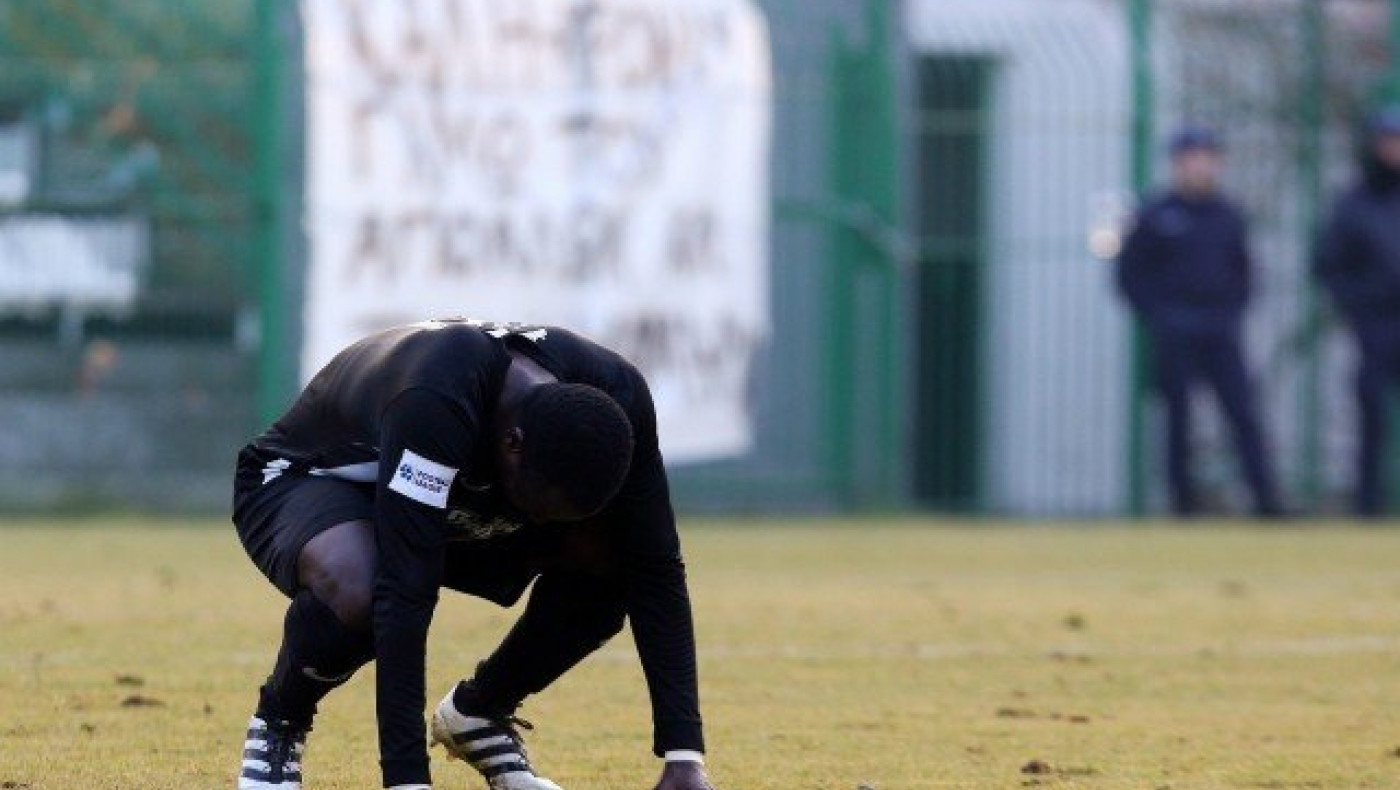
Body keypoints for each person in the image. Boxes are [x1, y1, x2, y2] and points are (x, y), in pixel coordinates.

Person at [231, 318, 714, 790]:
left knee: (613, 567)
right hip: (305, 482)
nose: (545, 526)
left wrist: (685, 758)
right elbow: (403, 593)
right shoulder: (437, 398)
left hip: (455, 503)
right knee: (363, 588)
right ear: (513, 443)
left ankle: (479, 713)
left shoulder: (618, 399)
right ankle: (280, 721)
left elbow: (657, 567)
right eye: (541, 507)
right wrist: (408, 781)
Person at [1117, 125, 1284, 517]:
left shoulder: (1228, 214)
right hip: (1175, 328)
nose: (1200, 166)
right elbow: (1130, 275)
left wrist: (1233, 310)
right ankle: (1183, 503)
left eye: (1207, 157)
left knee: (1242, 412)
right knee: (1178, 417)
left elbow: (1243, 269)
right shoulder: (1155, 214)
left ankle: (1266, 500)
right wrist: (1159, 314)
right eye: (1191, 158)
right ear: (1177, 164)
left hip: (1221, 328)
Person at [1315, 107, 1400, 517]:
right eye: (1389, 140)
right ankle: (1369, 503)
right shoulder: (1353, 203)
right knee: (1372, 411)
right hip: (1377, 323)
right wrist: (1357, 305)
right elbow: (1328, 264)